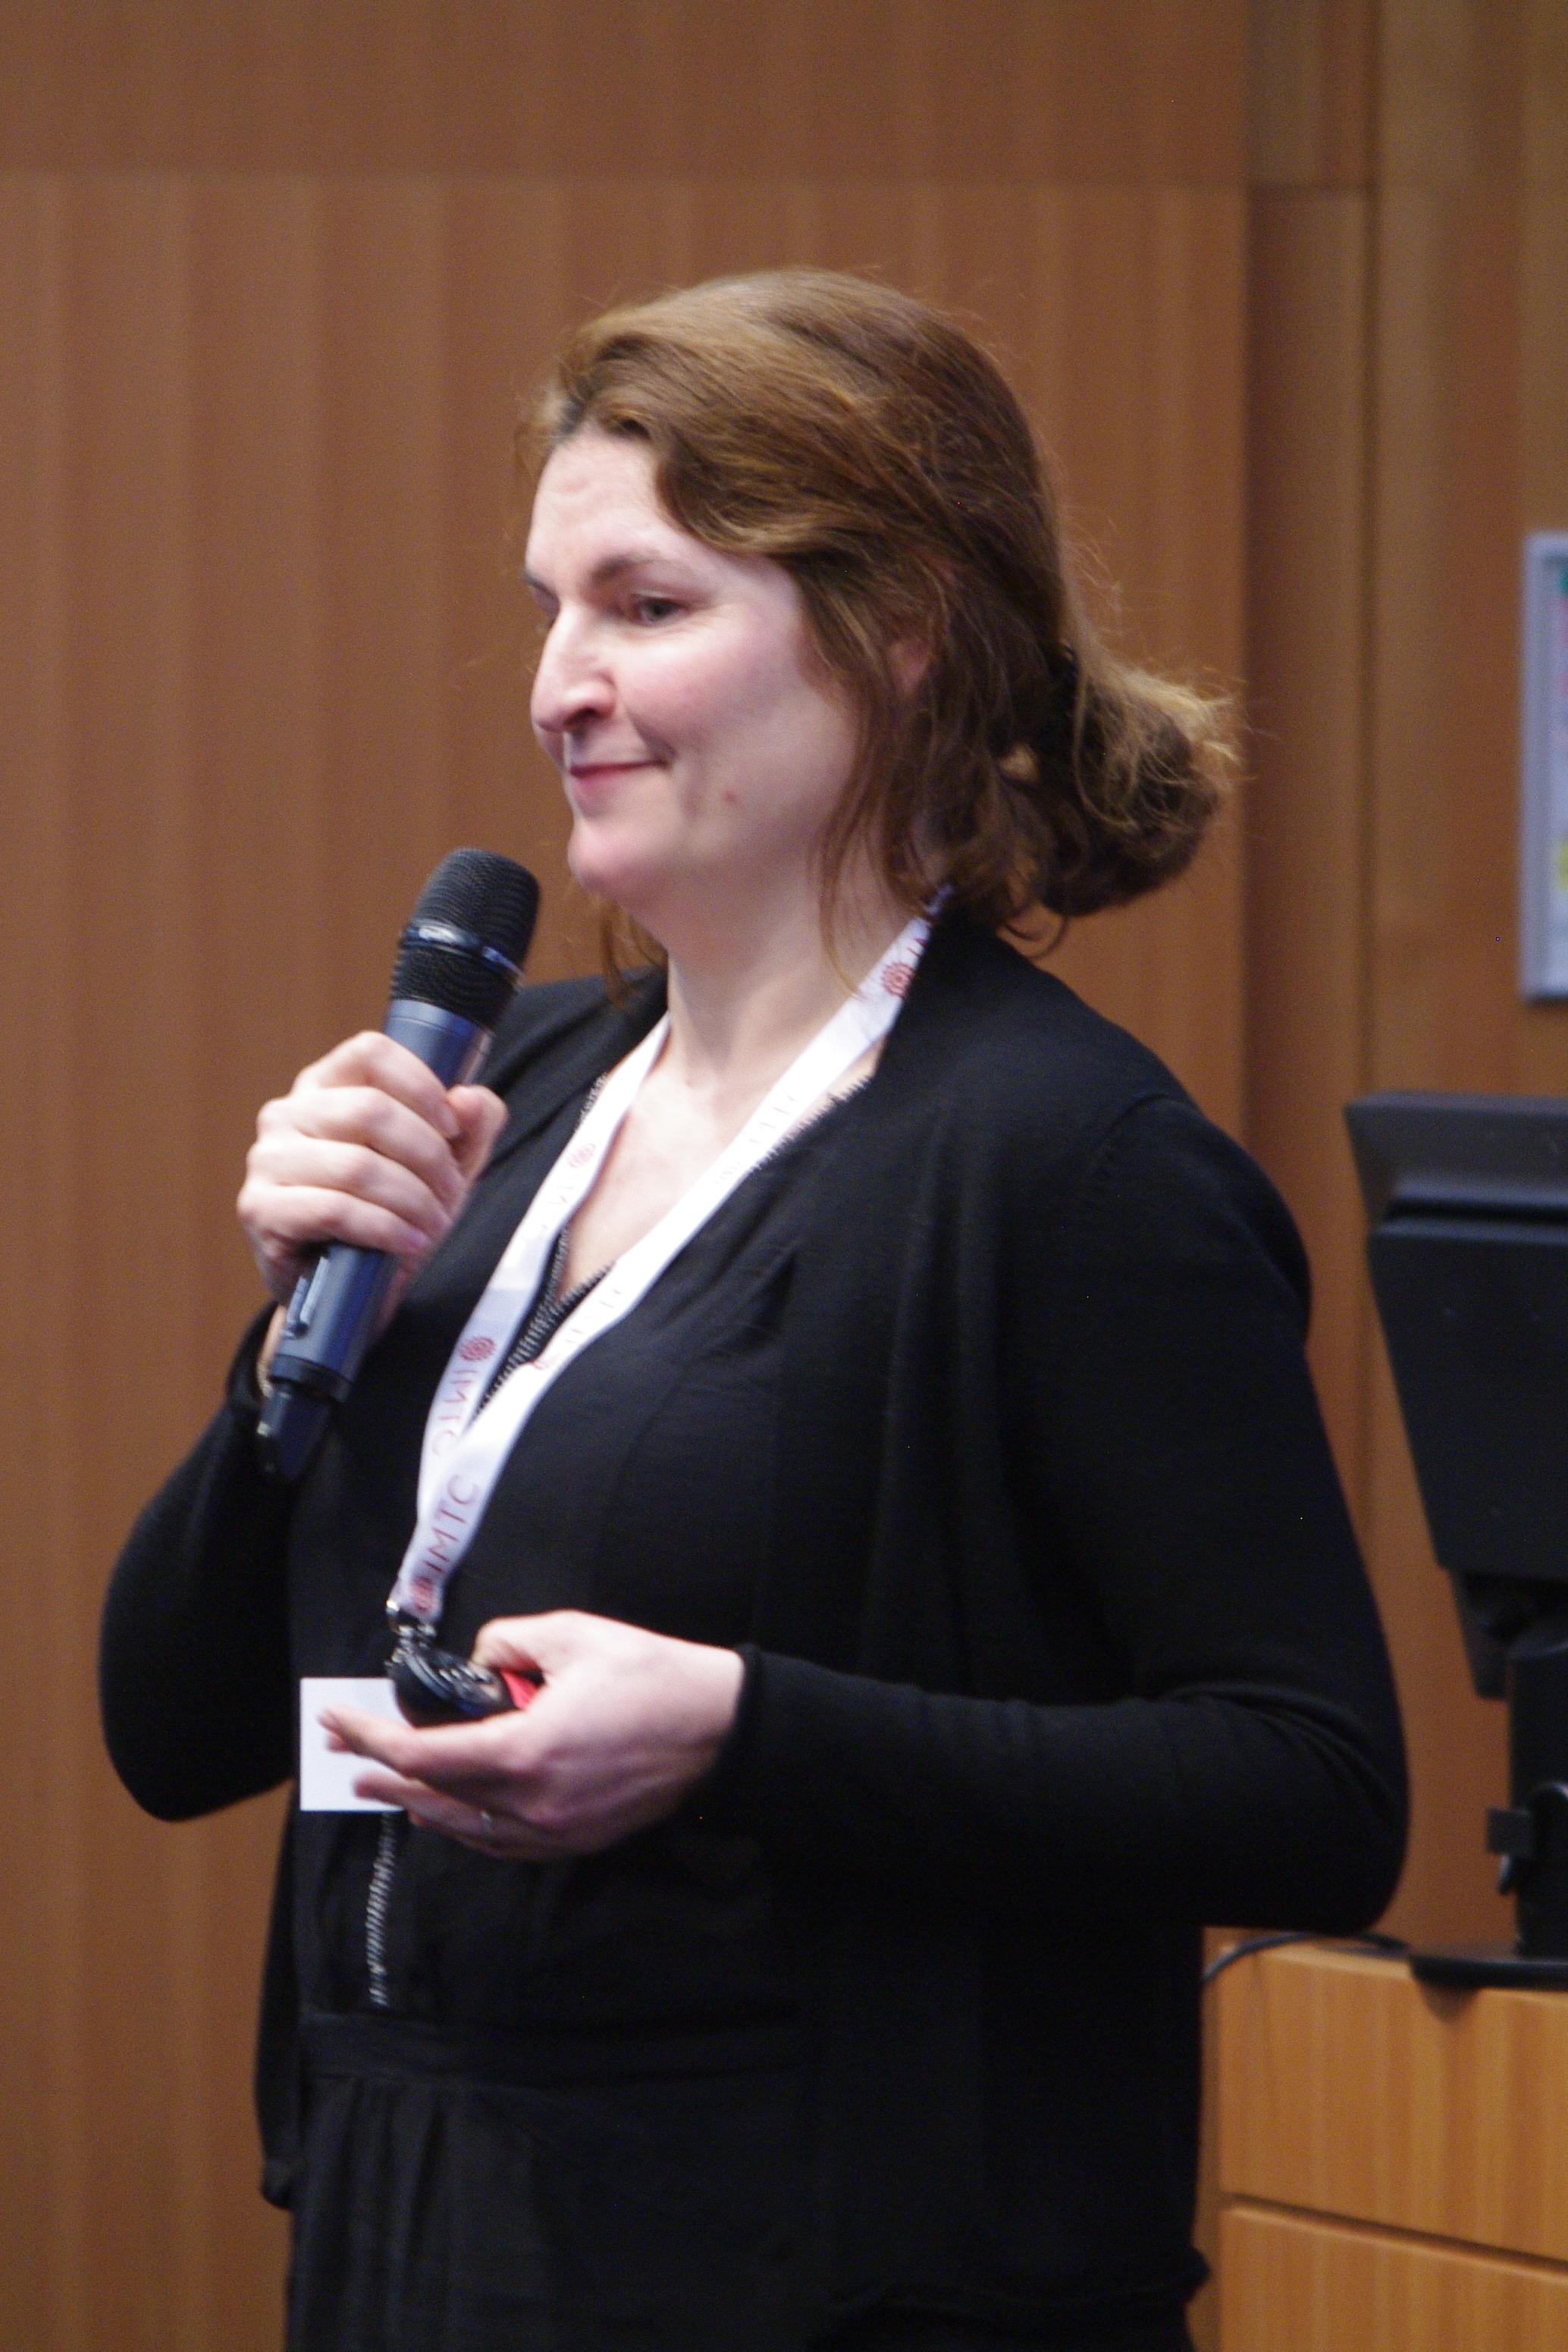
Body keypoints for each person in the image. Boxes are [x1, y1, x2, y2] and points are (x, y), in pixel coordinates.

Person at [101, 270, 1406, 2352]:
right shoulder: (503, 1096)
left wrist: (739, 1734)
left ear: (899, 633)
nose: (560, 686)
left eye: (645, 605)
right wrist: (292, 1338)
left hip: (834, 2276)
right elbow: (170, 1735)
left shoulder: (1066, 1163)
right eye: (551, 610)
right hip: (407, 2216)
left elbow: (1312, 1792)